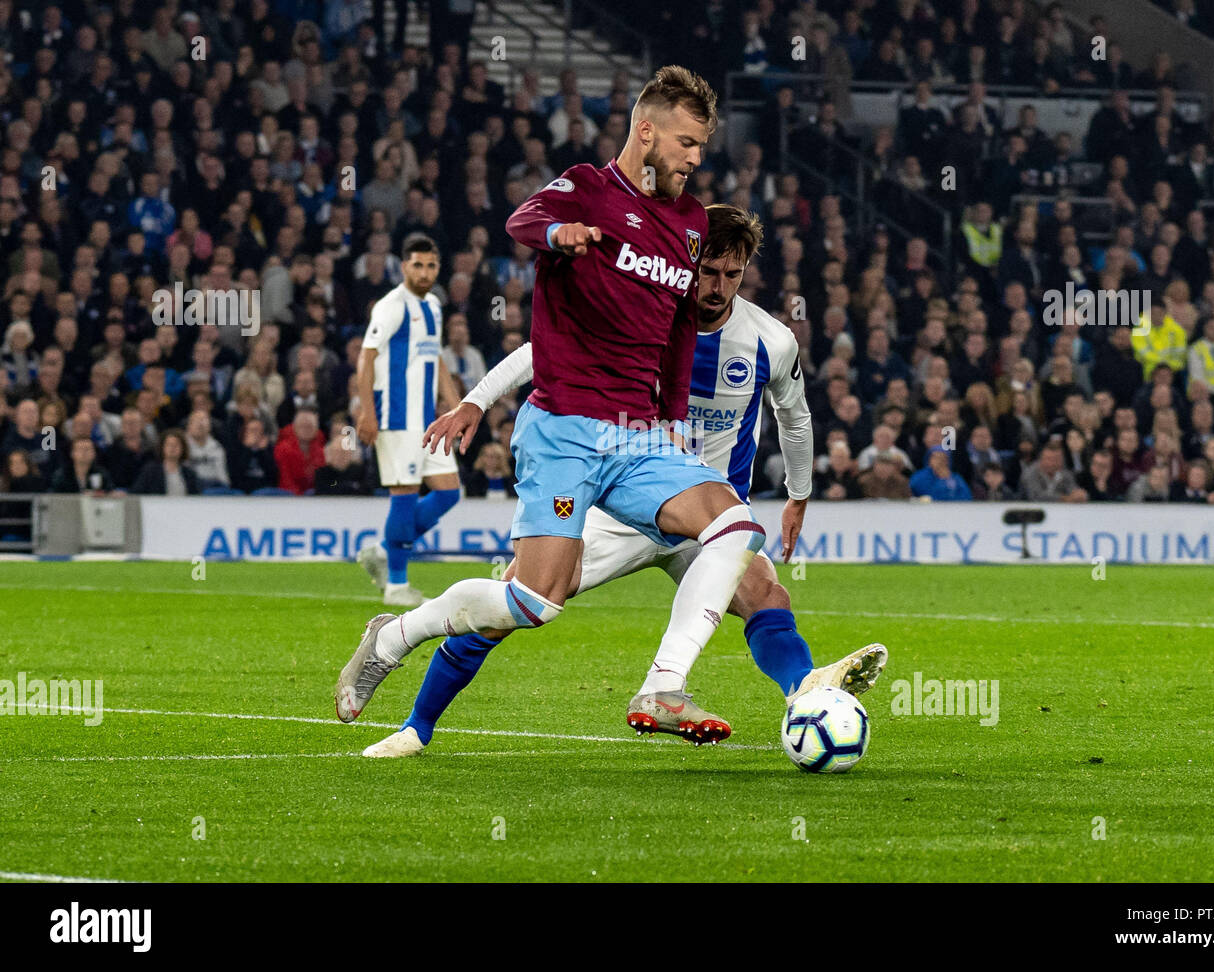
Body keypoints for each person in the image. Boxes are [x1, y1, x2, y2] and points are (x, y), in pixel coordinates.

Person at [336, 69, 794, 756]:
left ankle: (663, 685)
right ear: (647, 132)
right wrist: (559, 237)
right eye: (687, 143)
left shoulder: (692, 222)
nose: (697, 158)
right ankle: (394, 634)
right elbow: (520, 220)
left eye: (703, 145)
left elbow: (674, 334)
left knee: (733, 524)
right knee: (533, 602)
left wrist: (669, 419)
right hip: (565, 429)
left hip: (640, 434)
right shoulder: (588, 186)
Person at [377, 205, 889, 758]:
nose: (717, 286)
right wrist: (475, 400)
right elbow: (541, 351)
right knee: (519, 604)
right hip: (620, 504)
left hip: (706, 518)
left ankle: (805, 693)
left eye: (731, 275)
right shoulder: (645, 315)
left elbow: (797, 417)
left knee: (767, 594)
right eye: (708, 271)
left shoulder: (770, 341)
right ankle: (416, 724)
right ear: (687, 261)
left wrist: (798, 494)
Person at [352, 236, 463, 606]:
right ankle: (397, 586)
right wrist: (367, 412)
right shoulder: (391, 306)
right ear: (403, 267)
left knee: (448, 492)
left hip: (426, 420)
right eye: (418, 265)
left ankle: (383, 550)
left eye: (431, 265)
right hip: (395, 416)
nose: (425, 272)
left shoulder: (433, 305)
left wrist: (458, 406)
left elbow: (437, 360)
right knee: (404, 496)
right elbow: (366, 359)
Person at [132, 429, 200, 495]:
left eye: (176, 445)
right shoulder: (150, 471)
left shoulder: (190, 474)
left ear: (183, 448)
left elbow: (197, 498)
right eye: (169, 444)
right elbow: (136, 492)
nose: (172, 448)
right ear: (162, 447)